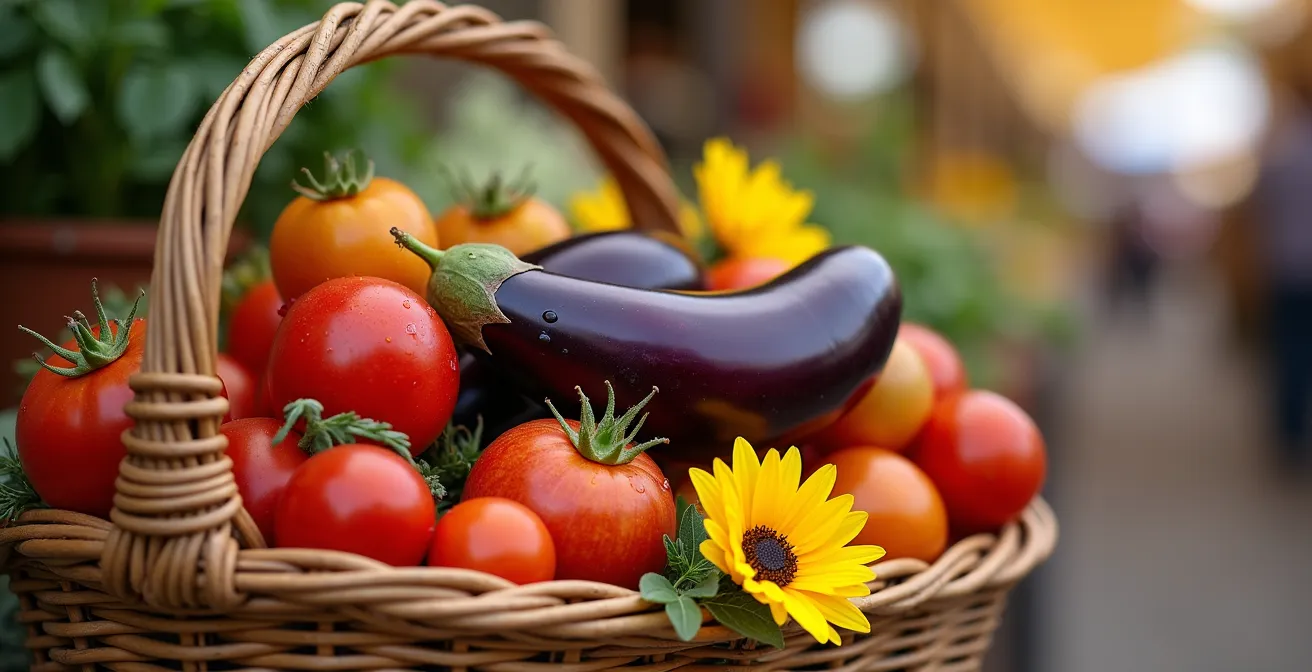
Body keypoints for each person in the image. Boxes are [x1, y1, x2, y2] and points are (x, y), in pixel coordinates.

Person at [1252, 82, 1312, 471]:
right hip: (1289, 268)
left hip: (1287, 269)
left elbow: (1257, 205)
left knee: (1291, 356)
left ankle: (1290, 441)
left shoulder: (1282, 152)